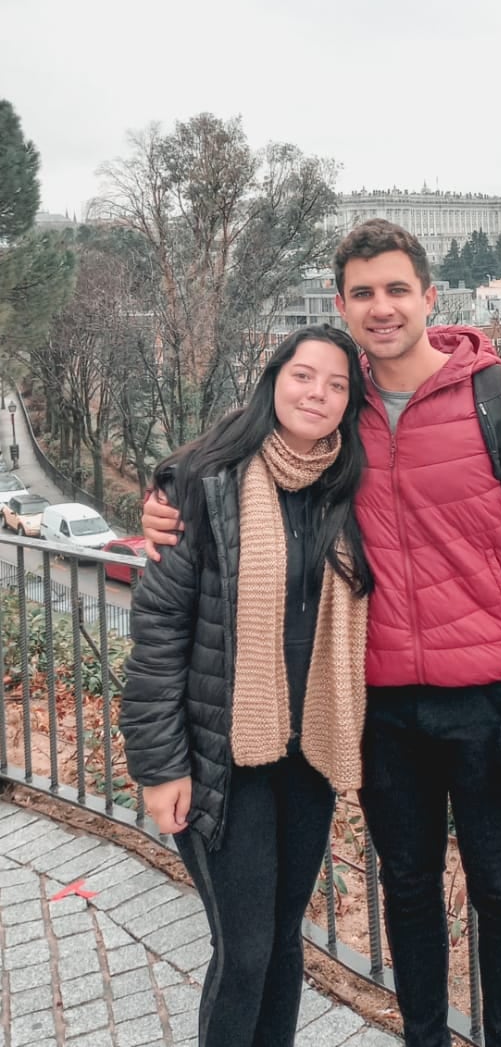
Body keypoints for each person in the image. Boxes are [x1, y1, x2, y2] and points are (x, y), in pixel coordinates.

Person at [144, 220, 501, 1047]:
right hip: (380, 703)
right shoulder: (341, 410)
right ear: (342, 305)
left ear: (431, 296)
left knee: (500, 889)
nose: (381, 307)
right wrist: (166, 493)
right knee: (410, 888)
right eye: (362, 293)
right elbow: (250, 447)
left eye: (396, 289)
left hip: (488, 695)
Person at [122, 325, 373, 1047]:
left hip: (306, 757)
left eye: (334, 384)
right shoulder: (203, 482)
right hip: (220, 761)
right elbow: (161, 629)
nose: (316, 393)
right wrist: (160, 764)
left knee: (286, 941)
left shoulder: (349, 488)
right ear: (273, 379)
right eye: (303, 375)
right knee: (246, 950)